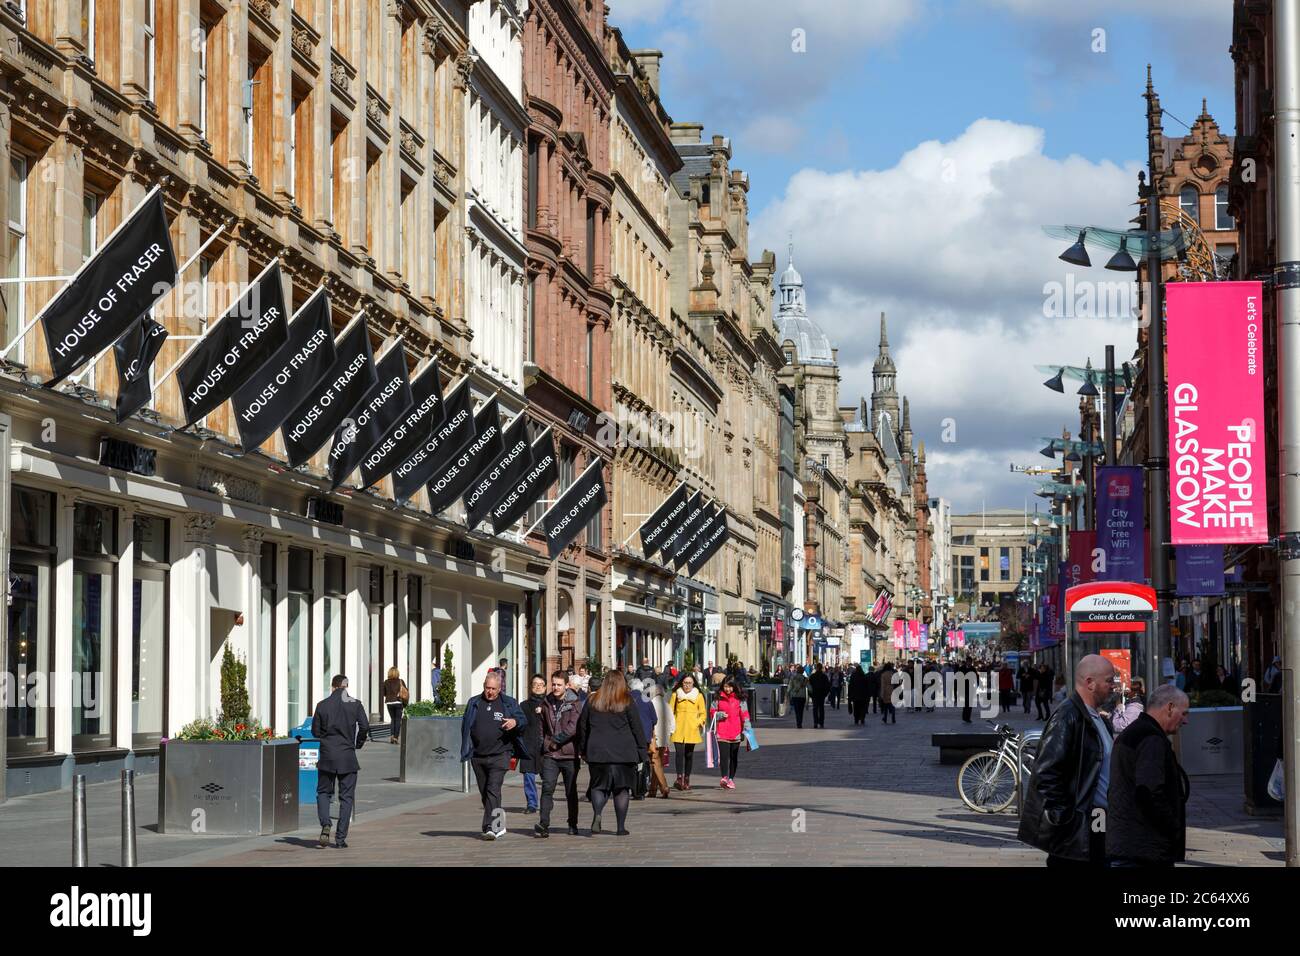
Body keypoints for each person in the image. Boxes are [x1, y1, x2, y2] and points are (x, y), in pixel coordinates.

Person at [1017, 654, 1117, 867]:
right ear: (1090, 683)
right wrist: (1069, 821)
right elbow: (1046, 774)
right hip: (1078, 829)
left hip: (1098, 822)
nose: (1113, 686)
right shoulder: (1068, 716)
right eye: (1109, 680)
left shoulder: (1097, 718)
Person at [1106, 684, 1191, 868]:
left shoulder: (1134, 733)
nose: (1186, 721)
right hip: (1144, 851)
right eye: (1184, 713)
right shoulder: (1151, 739)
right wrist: (1172, 825)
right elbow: (1149, 791)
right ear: (1169, 707)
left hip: (1130, 845)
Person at [575, 670, 647, 836]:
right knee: (621, 790)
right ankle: (620, 827)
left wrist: (583, 748)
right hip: (624, 752)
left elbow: (583, 726)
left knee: (598, 786)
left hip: (598, 752)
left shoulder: (593, 700)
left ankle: (598, 813)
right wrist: (642, 751)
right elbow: (637, 727)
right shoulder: (627, 700)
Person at [459, 672, 528, 840]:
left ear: (500, 688)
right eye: (487, 688)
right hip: (478, 755)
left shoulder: (509, 703)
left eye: (493, 689)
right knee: (486, 792)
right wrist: (467, 746)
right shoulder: (474, 702)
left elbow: (523, 721)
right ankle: (499, 823)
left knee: (493, 789)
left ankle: (490, 826)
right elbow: (465, 726)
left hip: (501, 754)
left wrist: (515, 722)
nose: (489, 692)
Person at [311, 674, 369, 849]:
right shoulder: (355, 704)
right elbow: (365, 726)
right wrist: (357, 743)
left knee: (323, 792)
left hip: (328, 755)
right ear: (346, 686)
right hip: (347, 756)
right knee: (346, 797)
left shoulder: (322, 705)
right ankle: (340, 838)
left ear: (333, 686)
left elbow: (315, 731)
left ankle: (326, 824)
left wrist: (327, 739)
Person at [535, 670, 582, 838]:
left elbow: (572, 728)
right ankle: (544, 823)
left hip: (569, 753)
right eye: (553, 684)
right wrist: (544, 745)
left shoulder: (575, 703)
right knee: (547, 787)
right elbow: (541, 728)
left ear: (567, 685)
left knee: (571, 790)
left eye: (559, 685)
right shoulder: (546, 702)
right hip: (551, 755)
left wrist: (556, 740)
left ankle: (572, 823)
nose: (555, 687)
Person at [710, 677, 750, 790]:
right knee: (724, 756)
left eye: (730, 686)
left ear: (734, 687)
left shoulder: (740, 699)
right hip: (722, 732)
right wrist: (719, 715)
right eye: (726, 686)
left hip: (736, 732)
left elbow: (745, 715)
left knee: (733, 757)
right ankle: (724, 777)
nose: (727, 689)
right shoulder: (717, 698)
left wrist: (747, 730)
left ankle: (731, 778)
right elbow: (712, 713)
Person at [670, 673, 707, 790]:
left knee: (689, 755)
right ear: (682, 683)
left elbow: (703, 713)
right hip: (678, 727)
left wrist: (698, 722)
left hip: (692, 728)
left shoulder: (699, 695)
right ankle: (679, 777)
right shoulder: (676, 694)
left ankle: (687, 778)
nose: (687, 685)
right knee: (679, 753)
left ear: (693, 683)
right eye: (685, 683)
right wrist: (671, 724)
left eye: (689, 683)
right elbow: (670, 711)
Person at [517, 675, 547, 814]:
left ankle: (546, 802)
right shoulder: (523, 705)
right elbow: (519, 725)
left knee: (547, 778)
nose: (538, 686)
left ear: (545, 687)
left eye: (541, 684)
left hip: (545, 747)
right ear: (531, 686)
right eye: (535, 683)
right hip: (528, 745)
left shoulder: (549, 704)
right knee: (528, 776)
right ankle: (532, 804)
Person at [628, 678, 658, 800]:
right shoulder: (647, 700)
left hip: (629, 736)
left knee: (630, 763)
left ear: (629, 688)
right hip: (644, 737)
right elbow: (655, 719)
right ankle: (641, 789)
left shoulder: (625, 699)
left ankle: (632, 788)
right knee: (643, 761)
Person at [646, 681, 674, 798]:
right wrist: (669, 735)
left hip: (654, 738)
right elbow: (673, 723)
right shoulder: (667, 705)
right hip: (664, 738)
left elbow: (649, 722)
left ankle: (664, 787)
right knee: (657, 764)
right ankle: (652, 790)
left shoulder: (650, 704)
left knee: (654, 763)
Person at [382, 666, 408, 745]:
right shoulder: (400, 681)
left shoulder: (386, 682)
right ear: (397, 673)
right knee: (397, 720)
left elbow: (384, 693)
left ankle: (392, 736)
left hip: (389, 703)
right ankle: (396, 737)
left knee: (393, 719)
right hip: (398, 702)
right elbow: (405, 691)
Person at [808, 662, 830, 729]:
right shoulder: (824, 676)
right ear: (821, 668)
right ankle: (821, 723)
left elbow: (809, 686)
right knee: (821, 708)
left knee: (815, 708)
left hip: (814, 694)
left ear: (816, 668)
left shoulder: (812, 676)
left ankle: (815, 722)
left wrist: (810, 694)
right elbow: (828, 686)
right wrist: (825, 694)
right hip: (821, 695)